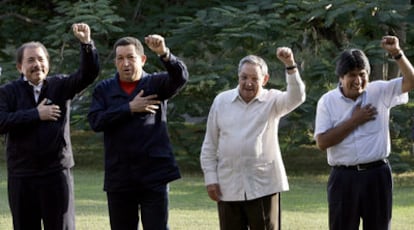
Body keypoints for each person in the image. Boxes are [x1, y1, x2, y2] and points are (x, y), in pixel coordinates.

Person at [0, 23, 99, 230]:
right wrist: (36, 114)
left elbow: (88, 74)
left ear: (48, 64)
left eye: (41, 59)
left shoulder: (60, 85)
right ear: (20, 67)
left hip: (56, 173)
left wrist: (86, 44)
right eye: (30, 60)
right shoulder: (8, 92)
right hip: (22, 175)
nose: (37, 64)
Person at [87, 35, 188, 230]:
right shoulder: (104, 90)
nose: (125, 63)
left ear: (142, 60)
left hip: (154, 174)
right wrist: (129, 108)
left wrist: (164, 54)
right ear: (115, 61)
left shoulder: (156, 84)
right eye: (120, 58)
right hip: (120, 176)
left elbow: (180, 78)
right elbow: (96, 121)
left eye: (131, 57)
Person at [314, 36, 414, 230]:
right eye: (352, 75)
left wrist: (396, 53)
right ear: (341, 77)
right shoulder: (327, 102)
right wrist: (354, 120)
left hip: (377, 175)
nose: (358, 80)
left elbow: (411, 81)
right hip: (343, 178)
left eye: (362, 74)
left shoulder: (379, 91)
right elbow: (322, 142)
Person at [200, 49, 306, 229]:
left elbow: (297, 97)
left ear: (264, 79)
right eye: (244, 77)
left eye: (254, 79)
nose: (248, 83)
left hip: (263, 185)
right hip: (228, 186)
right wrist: (211, 179)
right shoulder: (221, 101)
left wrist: (290, 65)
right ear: (238, 77)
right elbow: (210, 144)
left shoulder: (273, 100)